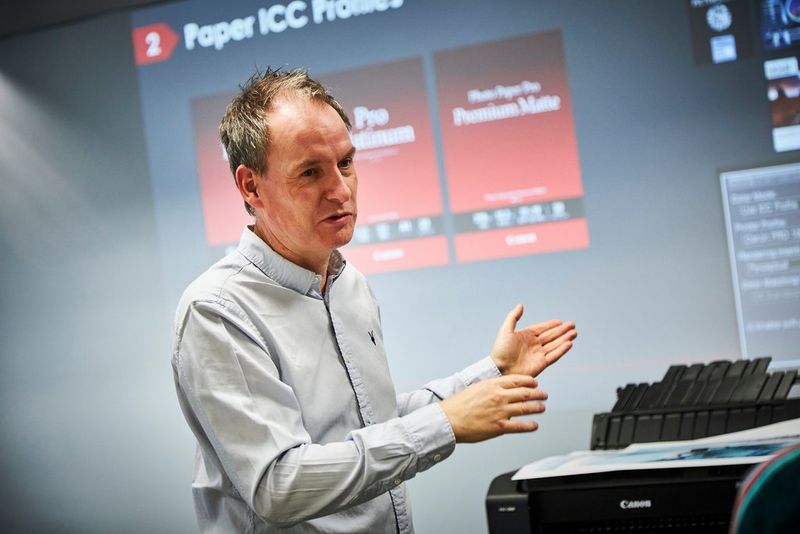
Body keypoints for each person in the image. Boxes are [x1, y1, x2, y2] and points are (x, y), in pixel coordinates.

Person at [172, 67, 577, 534]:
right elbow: (278, 485)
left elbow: (372, 425)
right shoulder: (218, 311)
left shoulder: (350, 285)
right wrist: (444, 424)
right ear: (250, 186)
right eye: (310, 172)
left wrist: (492, 373)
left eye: (345, 163)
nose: (340, 190)